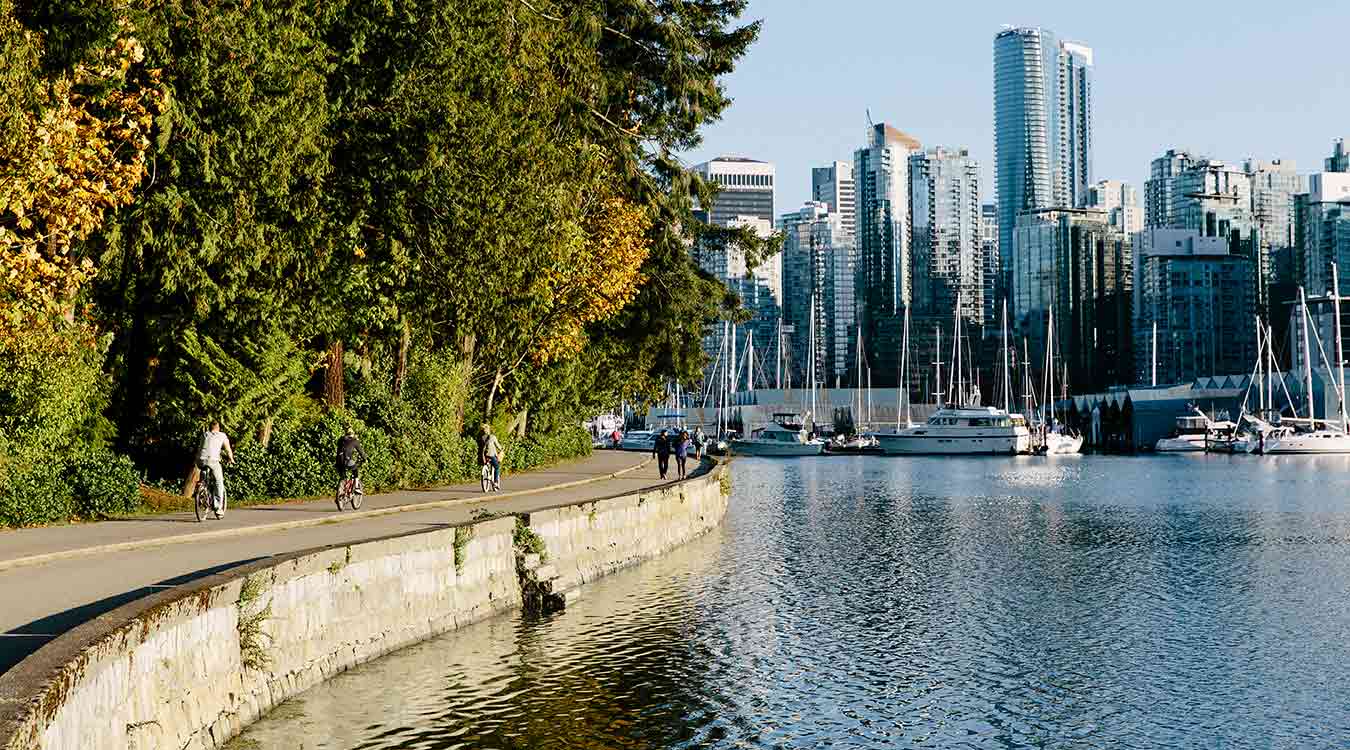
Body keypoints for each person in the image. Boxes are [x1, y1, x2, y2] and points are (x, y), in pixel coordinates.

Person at [195, 421, 234, 518]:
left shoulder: (205, 434)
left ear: (209, 428)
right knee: (219, 482)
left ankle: (202, 487)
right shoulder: (222, 435)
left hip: (201, 460)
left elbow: (200, 448)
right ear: (218, 428)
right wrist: (231, 459)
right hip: (213, 461)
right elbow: (228, 449)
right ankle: (218, 509)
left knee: (204, 473)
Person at [335, 425, 367, 510]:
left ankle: (340, 493)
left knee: (343, 477)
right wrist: (364, 459)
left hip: (338, 461)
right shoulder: (354, 441)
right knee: (355, 469)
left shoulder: (340, 440)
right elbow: (361, 452)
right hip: (347, 461)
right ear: (353, 434)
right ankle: (356, 487)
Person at [478, 424, 504, 491]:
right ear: (489, 429)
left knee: (488, 464)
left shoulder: (481, 438)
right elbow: (497, 445)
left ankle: (487, 474)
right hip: (491, 455)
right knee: (497, 467)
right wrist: (501, 449)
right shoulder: (492, 437)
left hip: (484, 455)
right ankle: (495, 482)